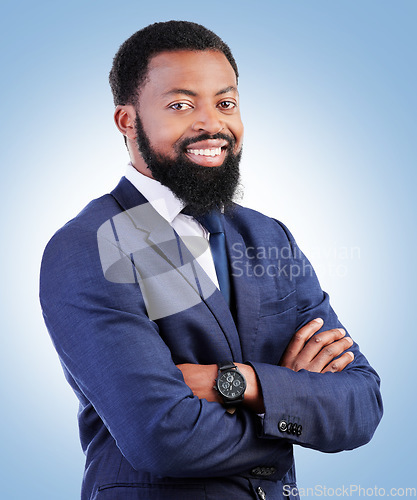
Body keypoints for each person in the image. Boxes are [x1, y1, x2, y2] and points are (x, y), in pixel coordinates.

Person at [39, 20, 383, 500]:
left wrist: (237, 383)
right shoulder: (88, 245)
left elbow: (362, 405)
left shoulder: (270, 236)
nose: (211, 123)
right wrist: (293, 410)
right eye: (180, 105)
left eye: (226, 103)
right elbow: (163, 436)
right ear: (127, 121)